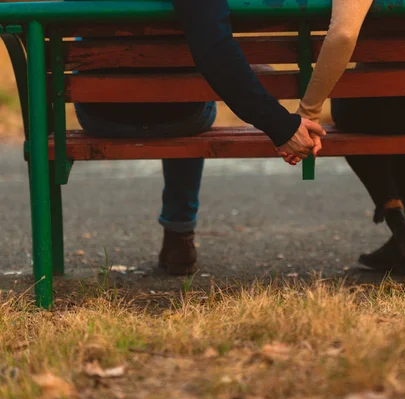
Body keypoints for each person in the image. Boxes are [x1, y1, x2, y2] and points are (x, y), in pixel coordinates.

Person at [75, 0, 326, 276]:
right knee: (192, 89)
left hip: (99, 113)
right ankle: (179, 233)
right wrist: (281, 127)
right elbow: (214, 47)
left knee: (185, 82)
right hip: (180, 116)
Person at [286, 0, 405, 274]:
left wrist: (309, 110)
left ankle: (399, 221)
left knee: (352, 112)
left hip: (380, 110)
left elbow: (343, 35)